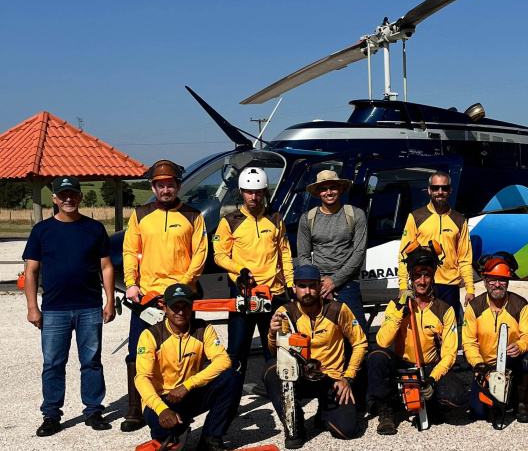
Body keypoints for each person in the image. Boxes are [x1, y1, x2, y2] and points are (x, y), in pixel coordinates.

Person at [23, 176, 116, 436]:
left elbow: (106, 266)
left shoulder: (95, 229)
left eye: (72, 194)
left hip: (89, 307)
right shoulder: (41, 231)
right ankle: (51, 415)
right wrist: (33, 307)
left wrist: (110, 300)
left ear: (80, 197)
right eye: (62, 195)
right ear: (54, 199)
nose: (68, 199)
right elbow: (30, 272)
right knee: (53, 364)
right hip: (54, 309)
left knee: (92, 362)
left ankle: (94, 411)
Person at [121, 159, 208, 432]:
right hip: (148, 297)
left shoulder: (194, 215)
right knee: (138, 354)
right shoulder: (140, 213)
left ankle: (187, 402)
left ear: (178, 186)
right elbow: (129, 251)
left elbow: (200, 254)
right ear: (153, 187)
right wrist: (131, 284)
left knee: (189, 351)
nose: (166, 190)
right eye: (161, 185)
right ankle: (136, 409)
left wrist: (181, 285)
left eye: (171, 184)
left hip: (182, 295)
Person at [264, 264, 368, 447]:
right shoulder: (285, 313)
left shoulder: (337, 309)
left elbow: (360, 343)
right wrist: (273, 334)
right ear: (294, 288)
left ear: (320, 287)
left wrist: (348, 377)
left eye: (312, 286)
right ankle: (294, 423)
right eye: (302, 286)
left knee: (348, 431)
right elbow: (275, 353)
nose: (307, 291)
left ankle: (324, 412)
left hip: (331, 377)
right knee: (272, 370)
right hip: (300, 376)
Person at [368, 243, 468, 435]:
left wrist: (432, 379)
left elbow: (449, 354)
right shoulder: (396, 305)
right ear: (410, 278)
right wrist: (399, 311)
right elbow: (382, 341)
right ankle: (386, 411)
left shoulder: (444, 310)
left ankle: (431, 404)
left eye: (427, 275)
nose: (422, 281)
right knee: (376, 356)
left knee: (457, 397)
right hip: (401, 363)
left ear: (433, 277)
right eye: (417, 276)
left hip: (428, 367)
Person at [135, 283, 243, 451]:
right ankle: (173, 433)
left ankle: (211, 438)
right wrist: (162, 409)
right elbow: (142, 378)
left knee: (232, 377)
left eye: (185, 306)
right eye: (174, 307)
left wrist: (188, 385)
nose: (180, 311)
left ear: (192, 306)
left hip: (188, 392)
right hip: (162, 399)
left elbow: (223, 361)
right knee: (165, 430)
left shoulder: (203, 329)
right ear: (164, 308)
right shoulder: (150, 335)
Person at [213, 167, 293, 378]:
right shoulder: (230, 220)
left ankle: (277, 397)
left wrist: (291, 284)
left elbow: (285, 253)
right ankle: (231, 401)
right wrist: (240, 269)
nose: (254, 196)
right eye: (249, 191)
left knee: (274, 350)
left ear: (265, 191)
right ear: (241, 191)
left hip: (273, 293)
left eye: (258, 192)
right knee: (237, 352)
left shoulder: (275, 218)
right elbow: (219, 255)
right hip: (243, 293)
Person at [397, 171, 474, 340]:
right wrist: (403, 285)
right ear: (429, 190)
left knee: (449, 334)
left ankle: (448, 365)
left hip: (449, 285)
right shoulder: (416, 217)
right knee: (424, 333)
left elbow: (465, 258)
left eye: (444, 188)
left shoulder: (459, 220)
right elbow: (404, 256)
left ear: (450, 191)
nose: (440, 192)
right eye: (436, 188)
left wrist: (470, 288)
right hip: (422, 282)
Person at [463, 253, 528, 424]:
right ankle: (498, 398)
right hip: (485, 366)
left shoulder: (521, 305)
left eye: (502, 280)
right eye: (492, 280)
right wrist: (478, 364)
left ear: (508, 281)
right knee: (479, 413)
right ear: (485, 281)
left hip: (512, 363)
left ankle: (522, 403)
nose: (497, 284)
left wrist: (521, 345)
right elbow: (468, 342)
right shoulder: (475, 307)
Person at [296, 170, 368, 333]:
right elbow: (304, 256)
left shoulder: (356, 215)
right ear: (317, 192)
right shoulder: (307, 219)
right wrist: (320, 283)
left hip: (348, 284)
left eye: (332, 187)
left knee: (358, 336)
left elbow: (359, 254)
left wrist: (334, 281)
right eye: (324, 188)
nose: (329, 192)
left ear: (340, 189)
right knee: (322, 336)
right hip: (318, 286)